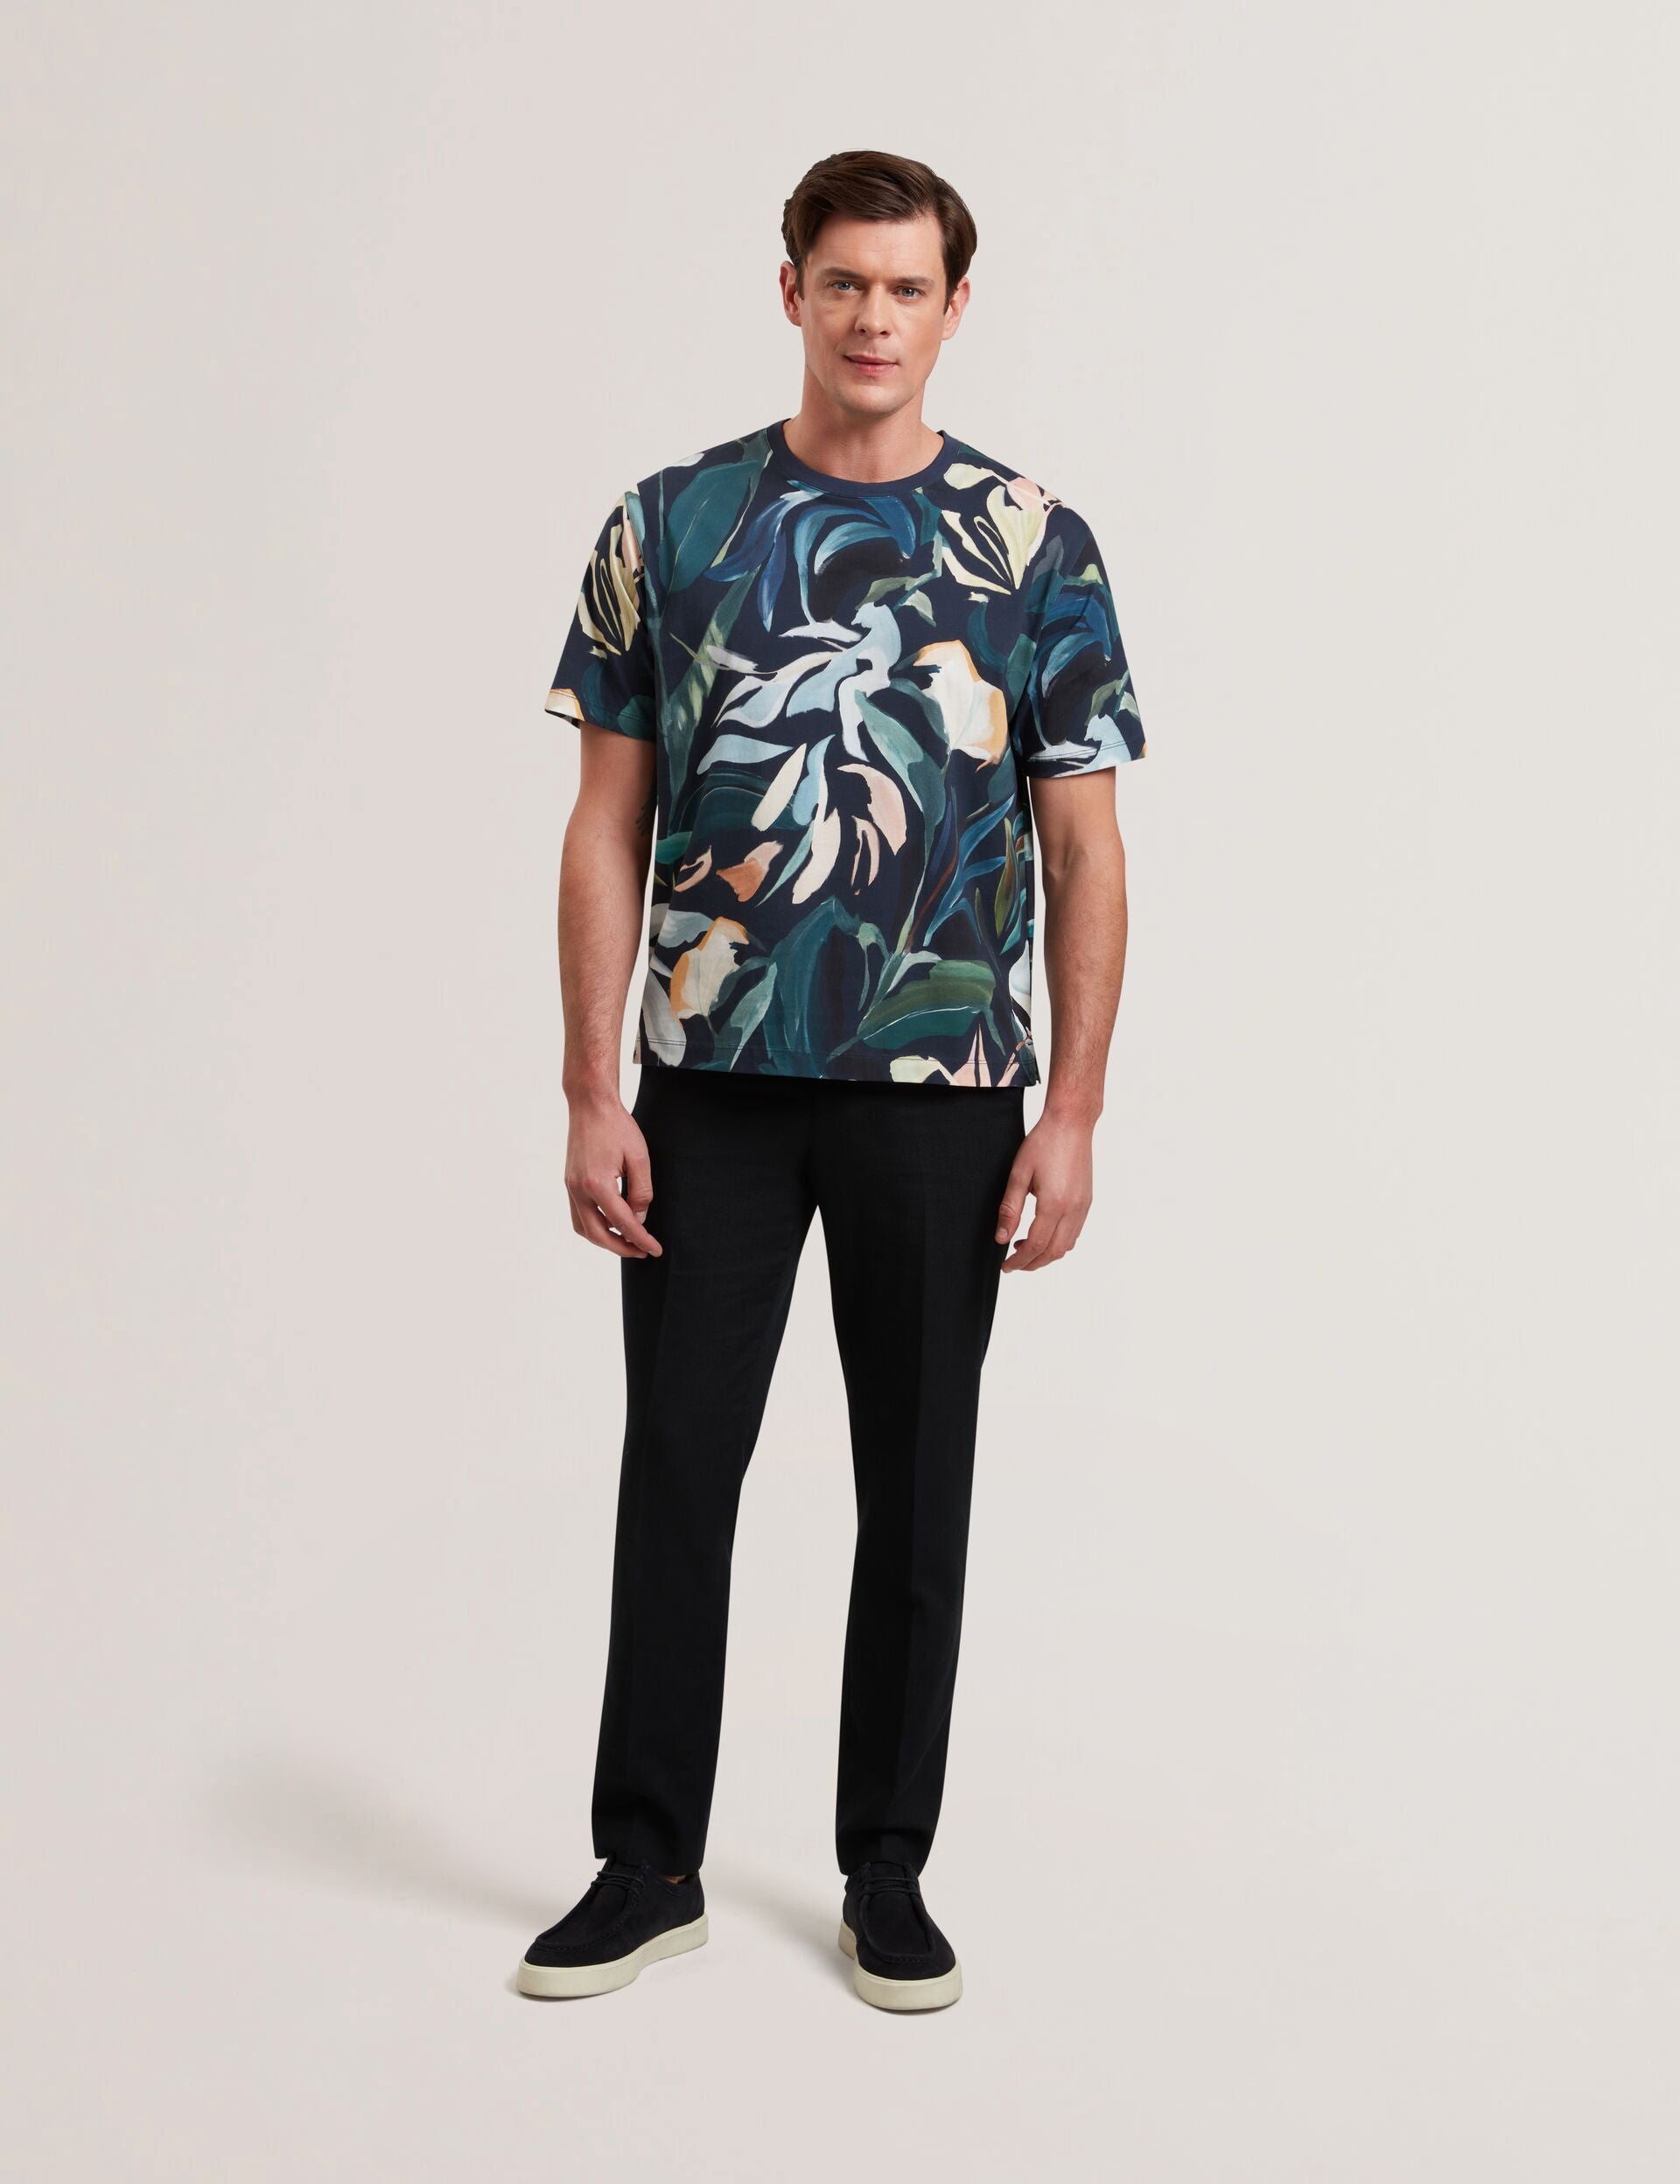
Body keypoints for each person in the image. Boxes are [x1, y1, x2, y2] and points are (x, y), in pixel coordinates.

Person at [516, 149, 1144, 2011]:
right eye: (845, 281)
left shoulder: (1036, 547)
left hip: (941, 1089)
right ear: (789, 290)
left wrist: (1074, 1112)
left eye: (907, 286)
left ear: (957, 308)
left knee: (918, 1481)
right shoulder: (674, 525)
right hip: (706, 1081)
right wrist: (591, 1087)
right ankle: (648, 1864)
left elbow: (1087, 849)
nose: (875, 317)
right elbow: (604, 821)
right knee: (677, 1468)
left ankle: (888, 1871)